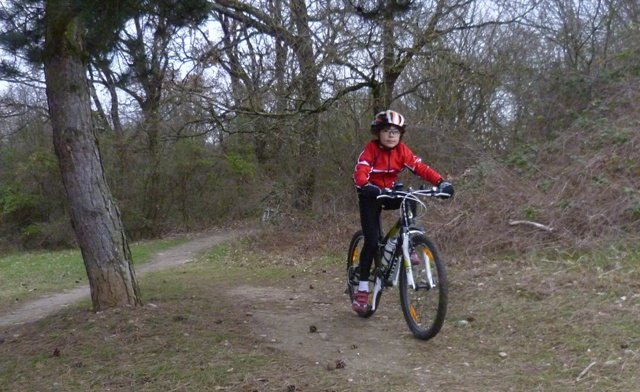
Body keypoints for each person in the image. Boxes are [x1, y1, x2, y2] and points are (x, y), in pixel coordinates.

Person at [351, 109, 454, 315]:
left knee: (410, 196)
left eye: (396, 132)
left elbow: (420, 167)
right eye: (387, 131)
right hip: (370, 195)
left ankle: (410, 240)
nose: (391, 135)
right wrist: (366, 185)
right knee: (371, 242)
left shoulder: (402, 151)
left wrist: (441, 182)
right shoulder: (371, 150)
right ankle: (362, 288)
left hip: (389, 192)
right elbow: (360, 172)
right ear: (378, 132)